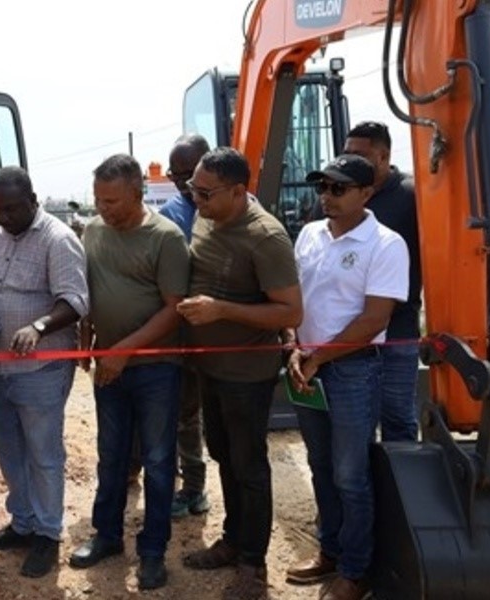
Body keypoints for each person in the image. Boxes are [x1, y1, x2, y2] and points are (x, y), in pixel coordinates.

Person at [176, 147, 303, 599]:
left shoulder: (266, 237)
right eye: (193, 189)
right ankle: (233, 540)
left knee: (249, 465)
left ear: (237, 191)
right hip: (209, 366)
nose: (196, 200)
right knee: (224, 455)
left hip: (246, 373)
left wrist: (221, 310)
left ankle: (254, 563)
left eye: (205, 193)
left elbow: (291, 310)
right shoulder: (208, 216)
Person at [286, 155, 408, 600]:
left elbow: (374, 317)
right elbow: (294, 298)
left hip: (353, 370)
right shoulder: (310, 234)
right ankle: (331, 551)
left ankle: (356, 571)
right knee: (320, 467)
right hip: (308, 367)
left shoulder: (386, 244)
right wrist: (295, 346)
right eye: (323, 188)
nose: (327, 197)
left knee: (350, 474)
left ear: (366, 193)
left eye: (338, 189)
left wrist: (318, 356)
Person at [67, 154, 187, 591]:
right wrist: (88, 340)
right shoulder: (94, 230)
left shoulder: (166, 238)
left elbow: (174, 311)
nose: (104, 209)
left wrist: (122, 351)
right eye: (98, 200)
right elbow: (90, 286)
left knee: (157, 461)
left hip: (156, 368)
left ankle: (153, 551)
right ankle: (107, 535)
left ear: (137, 194)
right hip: (109, 366)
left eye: (113, 201)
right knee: (111, 454)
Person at [0, 166, 89, 578]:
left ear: (33, 201)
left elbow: (76, 301)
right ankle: (22, 522)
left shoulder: (58, 239)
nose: (2, 218)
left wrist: (38, 326)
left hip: (42, 366)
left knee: (43, 452)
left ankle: (47, 533)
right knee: (6, 447)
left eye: (11, 210)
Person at [340, 122, 423, 443]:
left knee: (397, 420)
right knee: (354, 426)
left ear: (384, 156)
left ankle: (399, 492)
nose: (351, 162)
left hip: (397, 335)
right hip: (346, 334)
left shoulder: (412, 196)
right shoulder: (336, 194)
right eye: (347, 154)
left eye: (360, 155)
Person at [160, 133, 211, 519]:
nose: (181, 181)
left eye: (188, 172)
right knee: (184, 414)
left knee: (229, 423)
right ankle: (193, 486)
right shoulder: (171, 216)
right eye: (175, 173)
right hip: (186, 332)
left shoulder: (245, 207)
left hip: (231, 332)